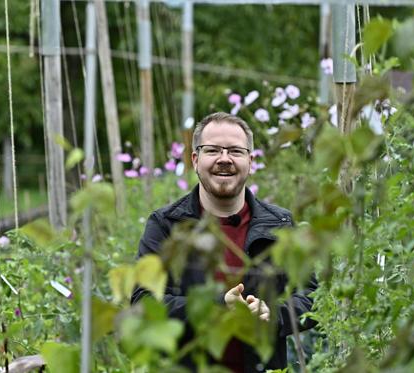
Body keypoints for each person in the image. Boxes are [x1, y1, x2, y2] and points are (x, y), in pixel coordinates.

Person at [131, 112, 317, 372]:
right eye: (213, 150)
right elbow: (143, 301)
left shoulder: (280, 225)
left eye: (235, 151)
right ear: (195, 159)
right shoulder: (167, 225)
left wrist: (274, 314)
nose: (224, 159)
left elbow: (311, 295)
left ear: (250, 161)